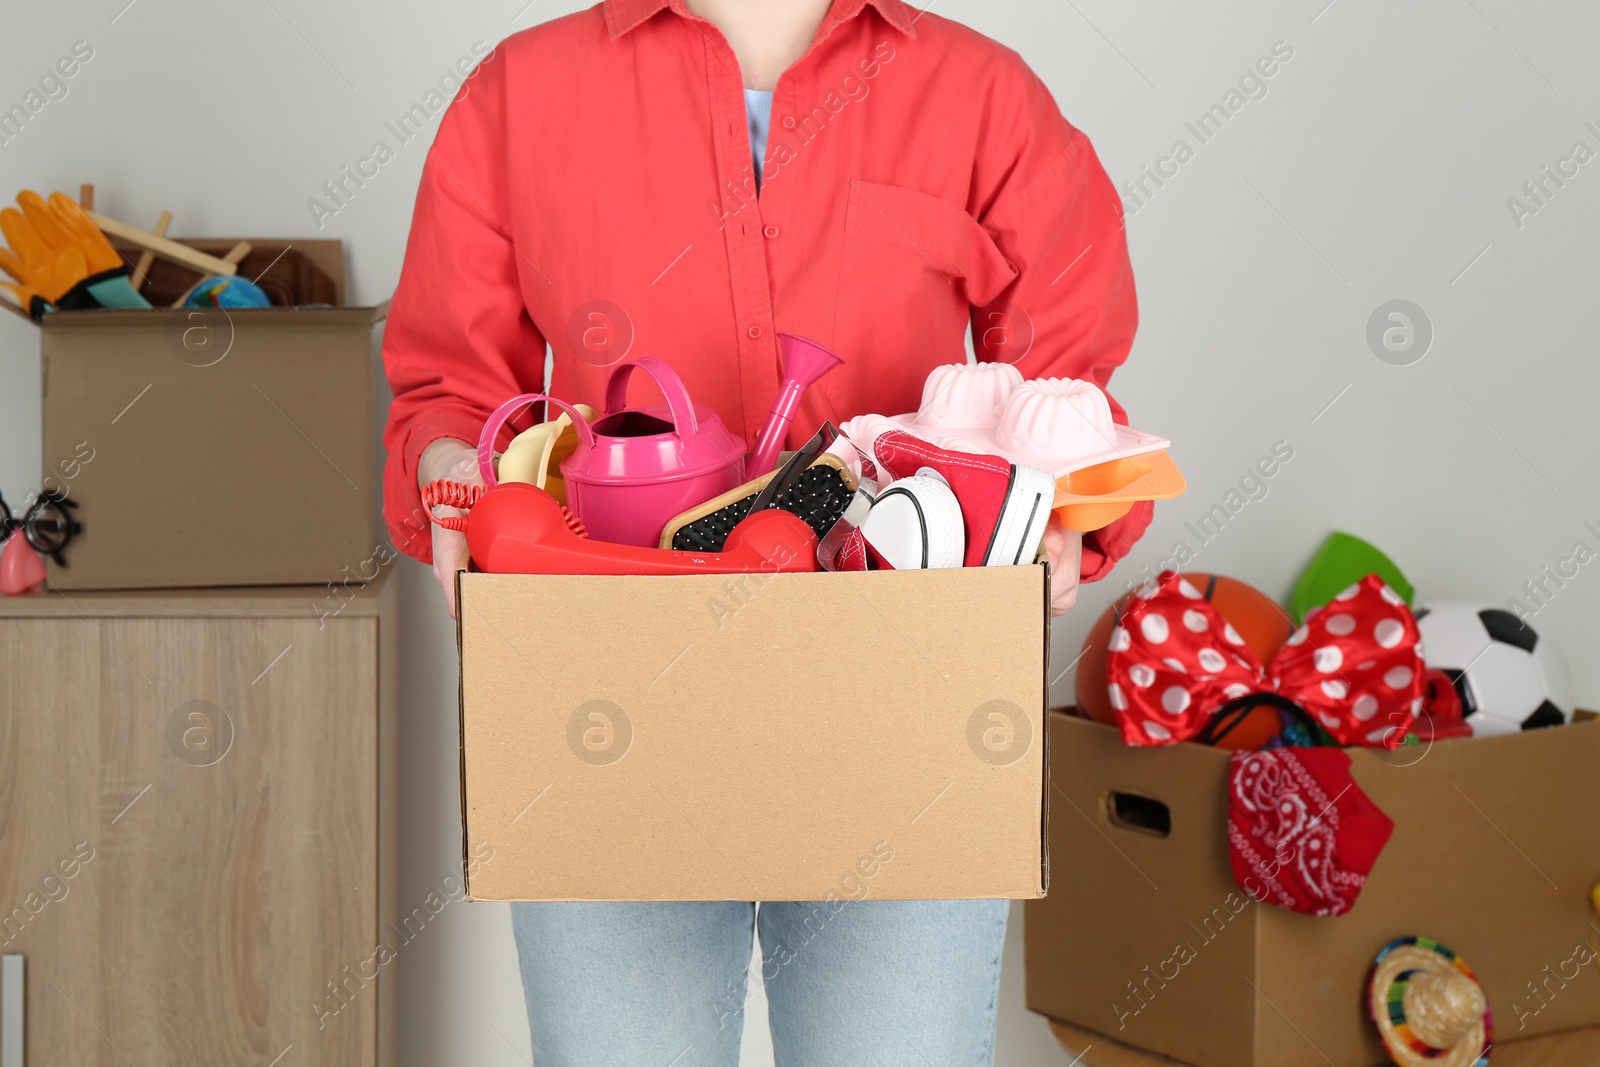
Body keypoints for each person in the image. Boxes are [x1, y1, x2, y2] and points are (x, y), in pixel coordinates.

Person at [382, 1, 1150, 1063]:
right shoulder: (518, 92)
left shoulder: (981, 93)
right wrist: (455, 478)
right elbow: (448, 387)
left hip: (902, 683)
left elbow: (1066, 380)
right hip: (609, 681)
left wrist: (1062, 511)